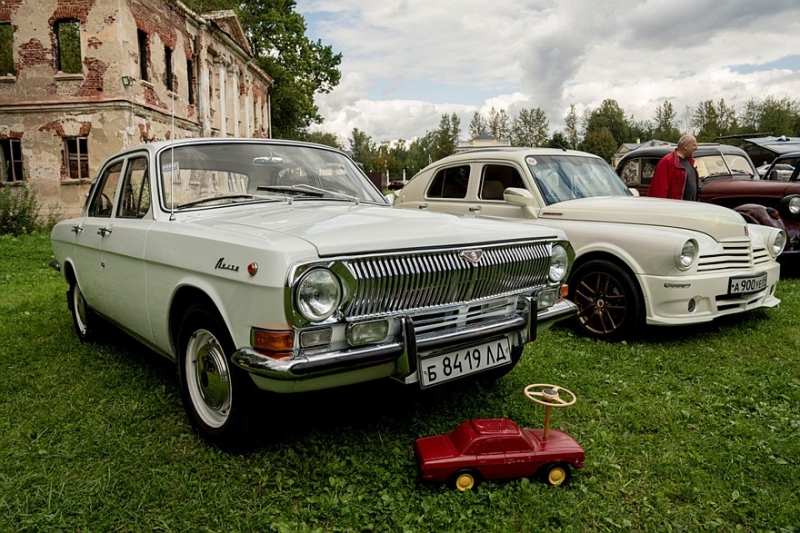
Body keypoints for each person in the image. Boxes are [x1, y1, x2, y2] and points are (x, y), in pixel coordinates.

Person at [647, 134, 699, 200]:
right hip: (676, 208)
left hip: (690, 207)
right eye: (694, 145)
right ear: (685, 146)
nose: (697, 148)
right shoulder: (668, 161)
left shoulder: (690, 161)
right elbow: (659, 191)